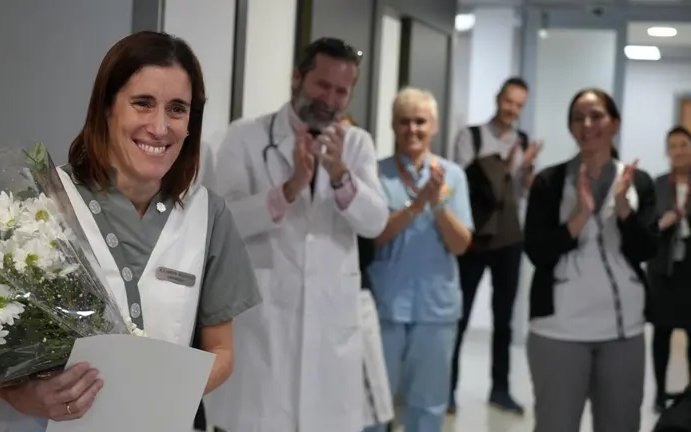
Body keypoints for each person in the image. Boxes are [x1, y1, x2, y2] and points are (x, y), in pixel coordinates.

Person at [0, 31, 261, 432]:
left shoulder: (209, 215)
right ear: (106, 108)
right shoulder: (44, 200)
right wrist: (25, 396)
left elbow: (221, 350)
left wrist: (159, 393)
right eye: (142, 103)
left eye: (177, 109)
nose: (159, 126)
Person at [204, 37, 389, 432]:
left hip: (329, 325)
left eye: (342, 91)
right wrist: (287, 190)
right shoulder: (245, 136)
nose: (331, 99)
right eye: (322, 85)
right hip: (264, 326)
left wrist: (340, 176)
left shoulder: (356, 145)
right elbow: (222, 220)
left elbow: (375, 222)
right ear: (297, 77)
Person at [524, 88, 658, 432]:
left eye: (596, 116)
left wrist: (625, 210)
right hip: (559, 331)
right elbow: (537, 252)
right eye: (578, 118)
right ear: (570, 128)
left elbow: (647, 250)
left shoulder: (637, 182)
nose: (587, 125)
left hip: (623, 331)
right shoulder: (549, 182)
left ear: (614, 123)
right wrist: (579, 216)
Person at [364, 88, 473, 432]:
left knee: (428, 406)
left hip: (435, 310)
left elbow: (460, 244)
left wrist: (437, 203)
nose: (413, 129)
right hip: (386, 306)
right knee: (373, 406)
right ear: (394, 126)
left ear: (434, 126)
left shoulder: (452, 176)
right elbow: (373, 237)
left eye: (420, 121)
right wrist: (415, 206)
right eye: (404, 121)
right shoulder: (376, 173)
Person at [449, 77, 541, 414]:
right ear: (497, 98)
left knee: (504, 319)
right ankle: (448, 389)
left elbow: (522, 192)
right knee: (459, 314)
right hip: (474, 237)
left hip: (510, 239)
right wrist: (509, 164)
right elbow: (459, 182)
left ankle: (500, 389)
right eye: (508, 101)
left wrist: (528, 171)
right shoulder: (470, 136)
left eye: (519, 105)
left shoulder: (523, 141)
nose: (512, 109)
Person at [648, 126, 691, 413]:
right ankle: (659, 393)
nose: (678, 151)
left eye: (684, 145)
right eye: (673, 146)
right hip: (663, 268)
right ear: (667, 151)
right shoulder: (656, 184)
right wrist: (662, 222)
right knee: (661, 332)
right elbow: (645, 226)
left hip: (690, 269)